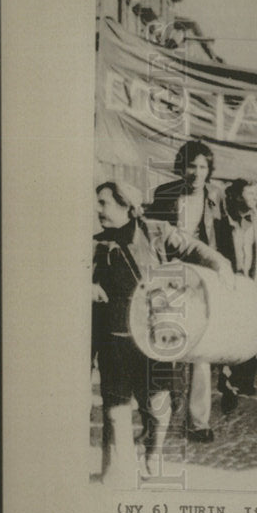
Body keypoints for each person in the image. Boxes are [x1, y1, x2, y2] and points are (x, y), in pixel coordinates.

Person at [93, 181, 232, 486]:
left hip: (154, 338)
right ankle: (116, 473)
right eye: (98, 203)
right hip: (114, 340)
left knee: (158, 407)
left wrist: (219, 263)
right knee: (115, 409)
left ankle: (152, 452)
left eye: (104, 203)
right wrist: (89, 286)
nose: (98, 209)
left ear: (126, 205)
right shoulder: (95, 243)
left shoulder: (155, 231)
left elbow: (193, 248)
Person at [146, 140, 228, 443]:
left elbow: (224, 237)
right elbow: (152, 237)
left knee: (201, 348)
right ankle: (163, 413)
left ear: (209, 171)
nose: (196, 172)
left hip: (203, 280)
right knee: (166, 343)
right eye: (191, 165)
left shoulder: (217, 197)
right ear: (183, 167)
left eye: (203, 166)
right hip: (169, 279)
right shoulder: (164, 194)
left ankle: (198, 421)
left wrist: (227, 273)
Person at [218, 179, 257, 412]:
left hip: (253, 283)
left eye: (256, 194)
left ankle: (243, 378)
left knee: (250, 331)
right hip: (229, 285)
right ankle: (228, 381)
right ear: (238, 197)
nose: (255, 198)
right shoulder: (221, 222)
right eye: (250, 194)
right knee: (229, 333)